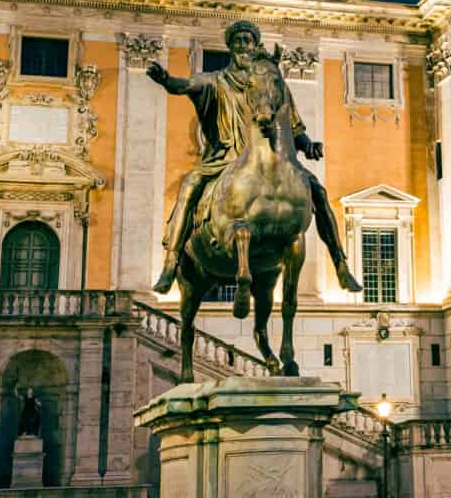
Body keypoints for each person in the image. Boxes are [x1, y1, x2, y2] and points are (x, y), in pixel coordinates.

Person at [148, 20, 363, 294]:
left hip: (271, 161)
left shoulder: (272, 83)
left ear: (254, 44)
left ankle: (341, 264)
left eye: (247, 40)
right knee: (190, 184)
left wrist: (308, 145)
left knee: (317, 191)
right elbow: (187, 84)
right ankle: (170, 263)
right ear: (229, 46)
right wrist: (167, 80)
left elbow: (293, 126)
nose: (242, 46)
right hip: (225, 158)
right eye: (237, 41)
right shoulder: (217, 80)